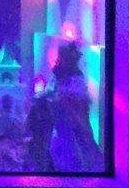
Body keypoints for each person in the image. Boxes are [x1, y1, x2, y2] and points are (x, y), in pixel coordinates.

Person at [26, 42, 103, 173]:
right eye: (61, 57)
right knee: (56, 149)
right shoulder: (58, 75)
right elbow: (50, 91)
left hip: (73, 123)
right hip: (58, 122)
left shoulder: (76, 78)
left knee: (75, 151)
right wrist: (41, 97)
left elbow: (76, 102)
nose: (60, 60)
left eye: (64, 57)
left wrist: (61, 99)